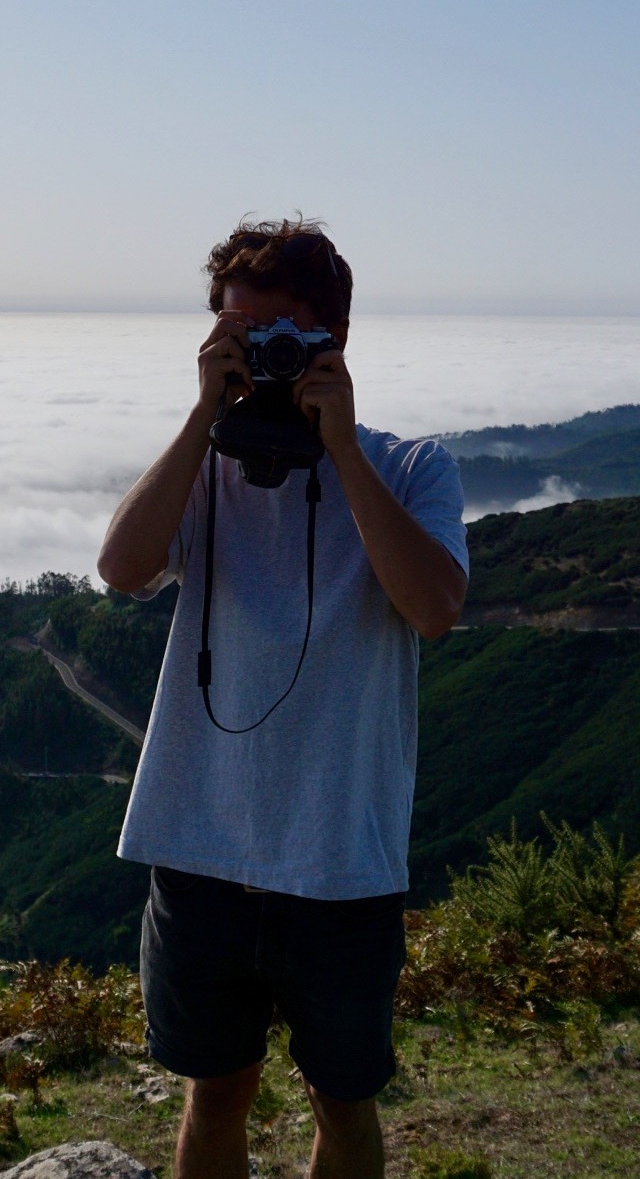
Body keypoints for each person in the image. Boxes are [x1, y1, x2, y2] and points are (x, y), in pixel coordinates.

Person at [96, 219, 469, 1179]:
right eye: (238, 332)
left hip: (340, 862)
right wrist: (202, 416)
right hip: (200, 851)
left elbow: (433, 608)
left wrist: (341, 451)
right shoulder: (206, 471)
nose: (259, 353)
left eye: (279, 335)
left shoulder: (412, 468)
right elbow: (123, 567)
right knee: (213, 1094)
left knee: (343, 1103)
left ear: (333, 339)